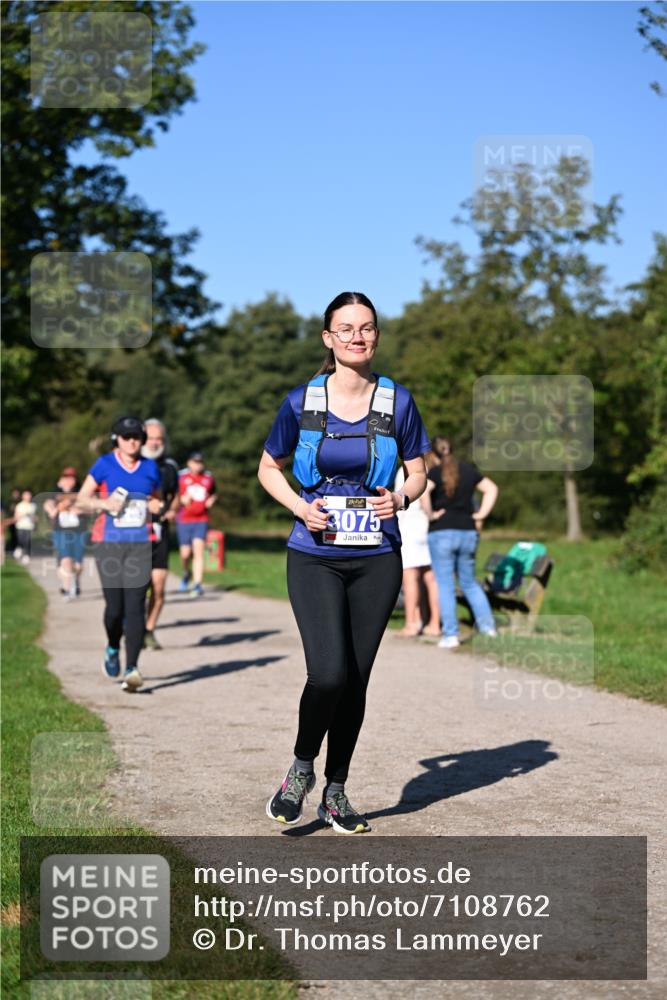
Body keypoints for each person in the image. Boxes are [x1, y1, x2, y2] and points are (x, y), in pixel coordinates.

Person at [258, 291, 429, 834]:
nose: (359, 336)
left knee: (355, 679)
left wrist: (400, 497)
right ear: (329, 339)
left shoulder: (397, 401)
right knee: (328, 673)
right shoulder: (301, 401)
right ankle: (300, 769)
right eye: (347, 328)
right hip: (315, 555)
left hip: (377, 556)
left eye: (368, 328)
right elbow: (268, 467)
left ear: (376, 337)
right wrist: (297, 506)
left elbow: (419, 472)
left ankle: (336, 791)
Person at [77, 416, 162, 691]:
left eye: (137, 436)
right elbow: (81, 501)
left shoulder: (150, 467)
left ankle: (132, 668)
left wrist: (157, 505)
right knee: (115, 610)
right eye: (127, 436)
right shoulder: (104, 464)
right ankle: (113, 646)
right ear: (117, 439)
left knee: (136, 606)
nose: (133, 441)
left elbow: (156, 497)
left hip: (140, 544)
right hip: (108, 543)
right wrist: (104, 502)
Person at [422, 436, 499, 649]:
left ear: (434, 454)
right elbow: (491, 489)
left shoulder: (435, 473)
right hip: (467, 531)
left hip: (441, 532)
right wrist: (480, 514)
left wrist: (430, 515)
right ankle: (488, 628)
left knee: (445, 585)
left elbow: (424, 493)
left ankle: (451, 635)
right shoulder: (468, 470)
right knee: (469, 582)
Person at [141, 419, 180, 649]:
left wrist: (173, 510)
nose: (155, 443)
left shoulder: (170, 467)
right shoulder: (132, 463)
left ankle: (149, 630)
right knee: (135, 587)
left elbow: (175, 494)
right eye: (151, 438)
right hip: (134, 533)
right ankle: (132, 626)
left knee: (158, 585)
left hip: (160, 531)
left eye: (159, 439)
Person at [394, 455, 441, 637]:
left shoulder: (406, 470)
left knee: (410, 578)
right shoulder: (433, 472)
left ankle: (411, 623)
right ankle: (434, 622)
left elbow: (402, 500)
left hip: (410, 528)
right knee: (430, 577)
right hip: (427, 528)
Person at [176, 452, 217, 598]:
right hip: (184, 519)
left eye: (200, 462)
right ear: (189, 463)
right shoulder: (181, 476)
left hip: (201, 519)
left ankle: (197, 584)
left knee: (198, 552)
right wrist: (181, 499)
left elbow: (213, 493)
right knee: (185, 553)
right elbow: (173, 496)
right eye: (194, 462)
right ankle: (186, 573)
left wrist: (211, 500)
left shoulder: (208, 478)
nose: (197, 465)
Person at [44, 467, 88, 599]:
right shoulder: (56, 492)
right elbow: (48, 503)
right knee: (65, 560)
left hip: (79, 531)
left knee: (78, 565)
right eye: (66, 478)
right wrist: (52, 509)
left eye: (71, 478)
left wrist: (80, 510)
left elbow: (92, 507)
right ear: (61, 480)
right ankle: (66, 589)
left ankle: (76, 580)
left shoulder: (82, 491)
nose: (68, 481)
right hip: (61, 531)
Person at [13, 489, 37, 564]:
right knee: (21, 540)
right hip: (20, 526)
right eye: (26, 495)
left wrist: (33, 518)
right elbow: (16, 517)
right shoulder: (19, 505)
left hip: (29, 526)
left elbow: (36, 517)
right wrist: (24, 514)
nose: (27, 496)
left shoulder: (33, 506)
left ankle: (27, 556)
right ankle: (19, 548)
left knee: (28, 541)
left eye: (29, 495)